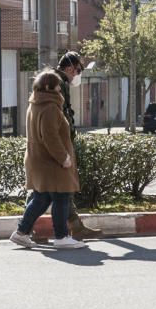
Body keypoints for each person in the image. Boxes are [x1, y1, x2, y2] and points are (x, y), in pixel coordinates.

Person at [10, 70, 87, 250]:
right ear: (48, 87)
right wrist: (64, 158)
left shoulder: (35, 104)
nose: (60, 89)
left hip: (39, 160)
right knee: (61, 195)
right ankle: (61, 236)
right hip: (51, 161)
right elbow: (50, 137)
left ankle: (21, 233)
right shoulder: (50, 107)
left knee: (42, 198)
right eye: (57, 85)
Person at [52, 51, 101, 239]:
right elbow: (59, 117)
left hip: (61, 142)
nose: (79, 74)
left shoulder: (59, 82)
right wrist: (63, 145)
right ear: (70, 68)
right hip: (58, 144)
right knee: (52, 191)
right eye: (78, 70)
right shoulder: (57, 84)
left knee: (51, 191)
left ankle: (75, 225)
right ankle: (25, 228)